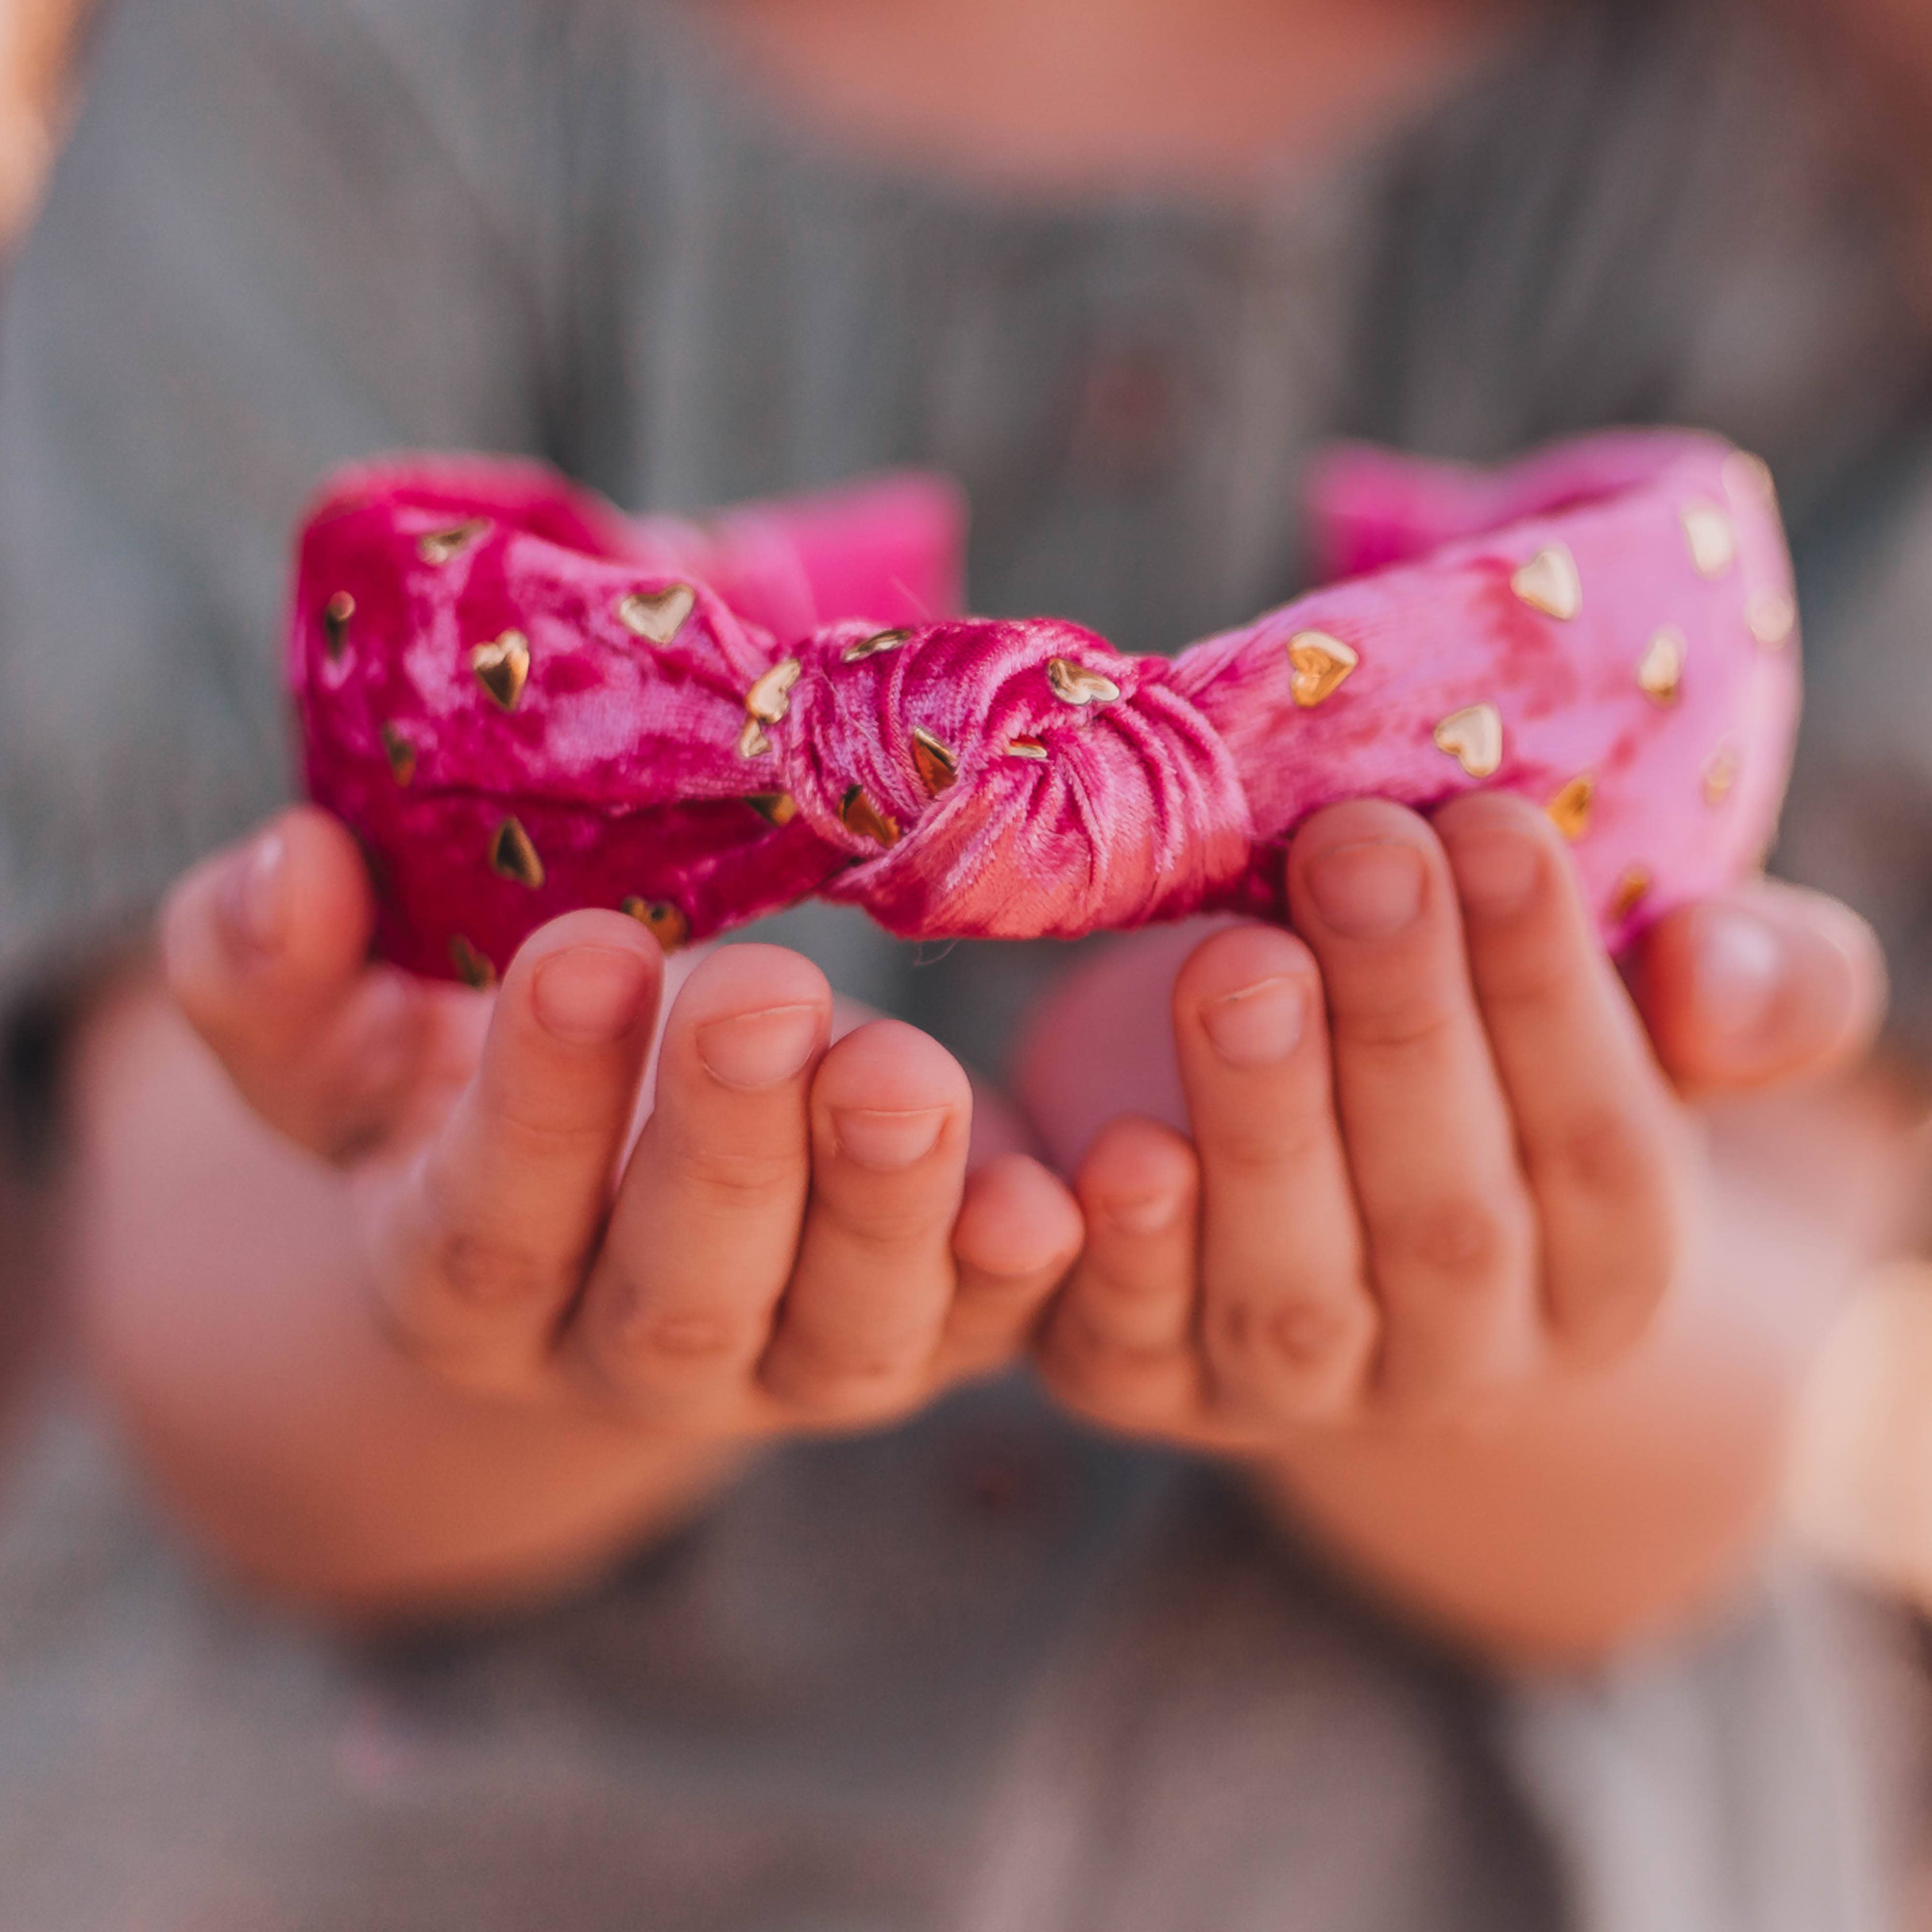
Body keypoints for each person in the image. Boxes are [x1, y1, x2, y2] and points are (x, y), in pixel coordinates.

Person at [0, 0, 1923, 1924]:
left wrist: (1445, 1279)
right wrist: (534, 1293)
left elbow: (1727, 1376)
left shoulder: (1825, 136)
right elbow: (198, 1276)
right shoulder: (328, 60)